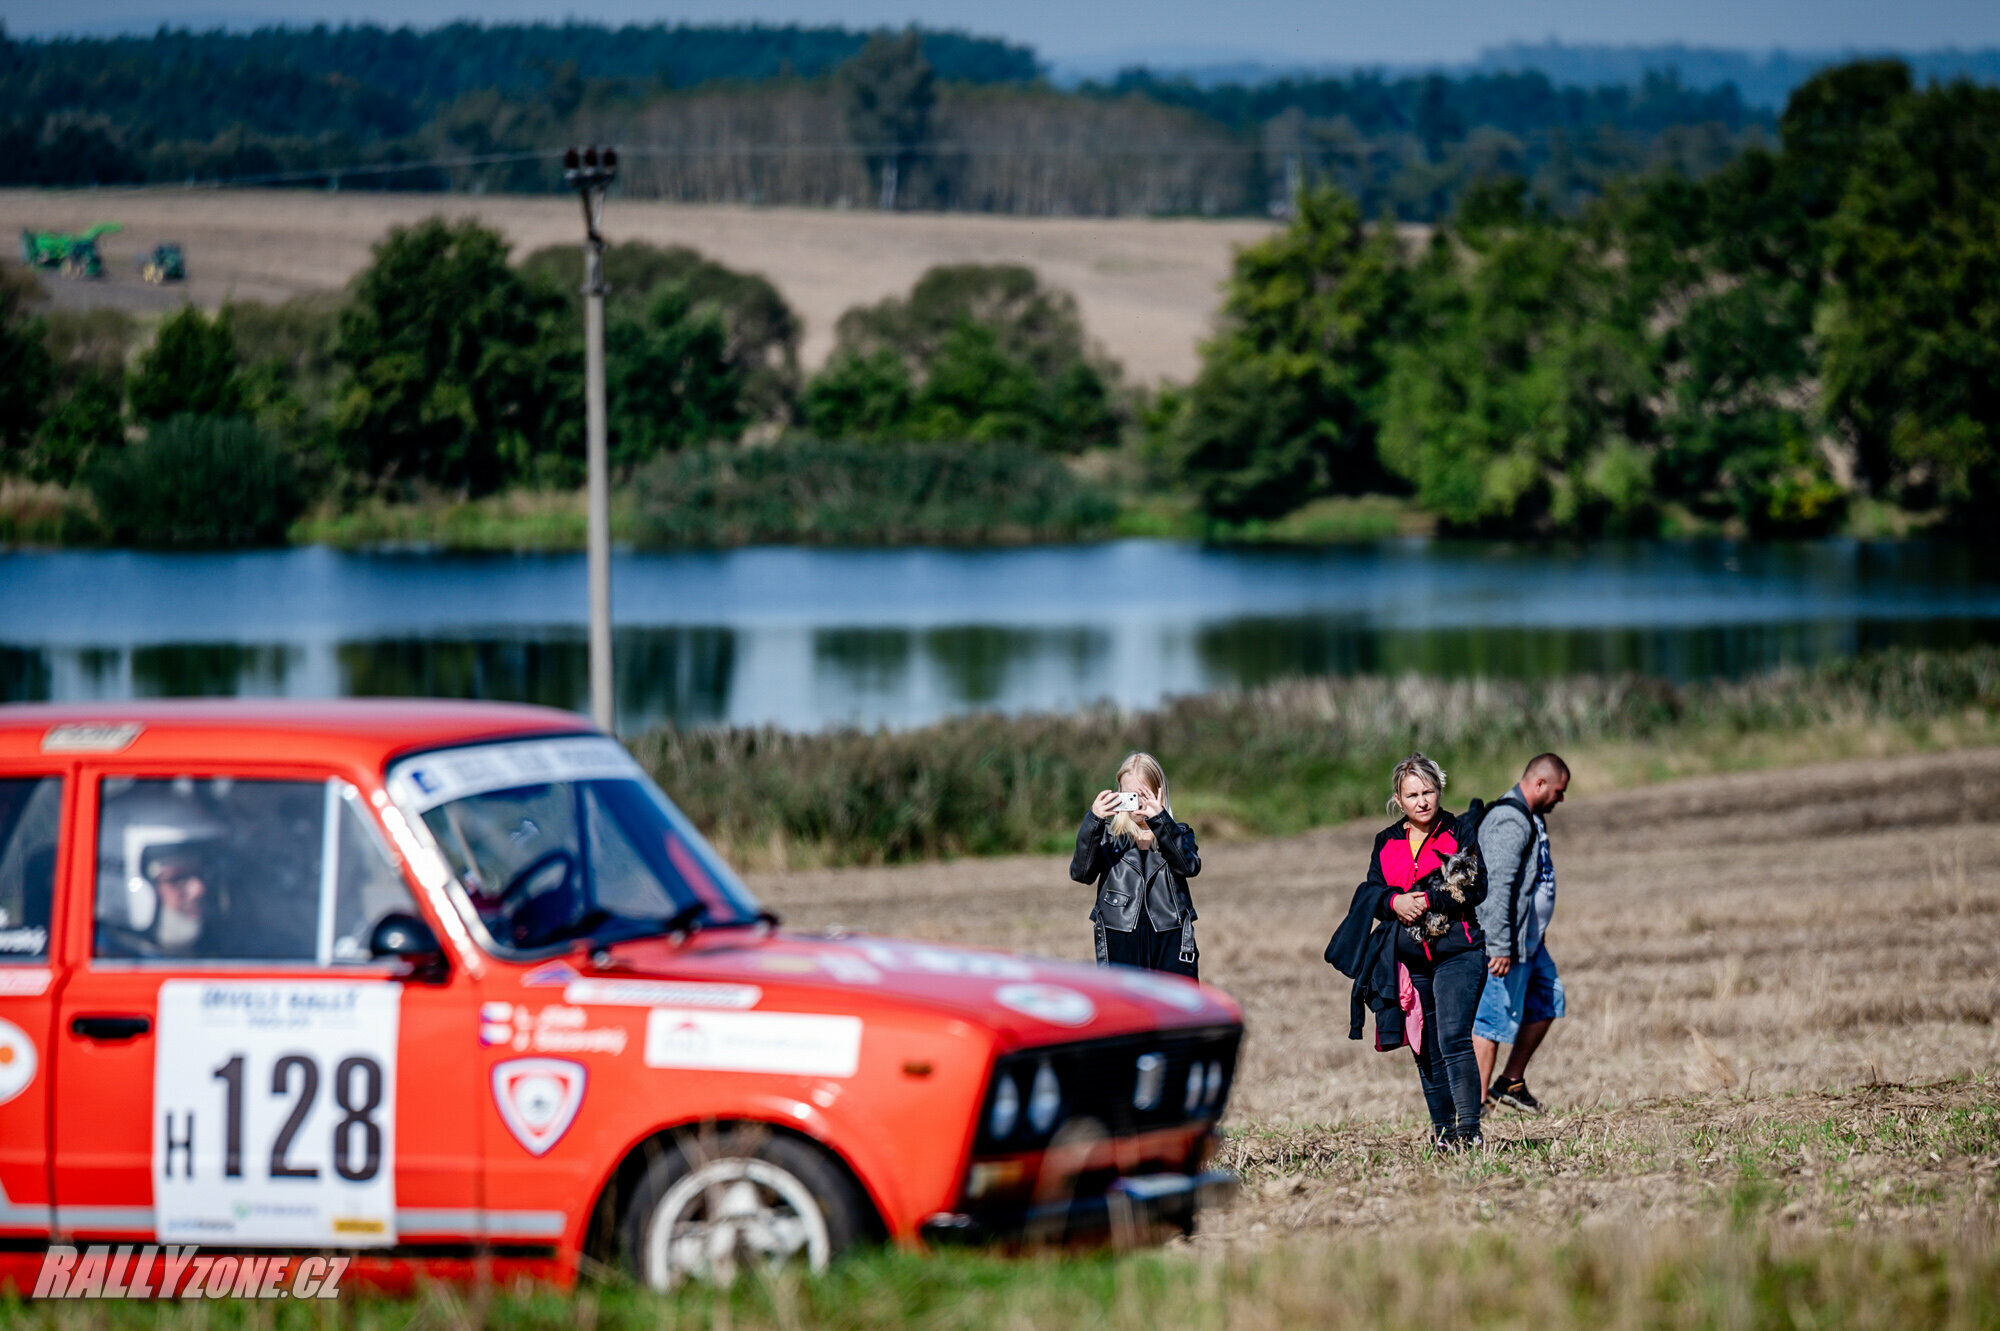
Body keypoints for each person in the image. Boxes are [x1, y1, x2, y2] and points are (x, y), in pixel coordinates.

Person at [1365, 752, 1488, 1148]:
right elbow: (1372, 893)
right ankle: (1444, 1134)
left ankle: (1469, 1133)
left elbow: (1476, 887)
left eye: (1429, 791)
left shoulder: (1459, 831)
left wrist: (1431, 900)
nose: (1422, 801)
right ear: (1398, 800)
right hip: (1410, 959)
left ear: (1440, 790)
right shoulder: (1385, 841)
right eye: (1412, 794)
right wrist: (1395, 904)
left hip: (1459, 951)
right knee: (1426, 1048)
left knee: (1453, 1037)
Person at [1473, 752, 1572, 1116]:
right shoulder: (1509, 820)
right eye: (1559, 791)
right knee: (1493, 1022)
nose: (1561, 799)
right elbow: (1497, 887)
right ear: (1540, 783)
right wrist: (1499, 944)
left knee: (1549, 1000)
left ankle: (1510, 1082)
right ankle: (1474, 1107)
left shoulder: (1531, 817)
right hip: (1507, 944)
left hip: (1531, 942)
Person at [1070, 752, 1201, 979]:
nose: (1137, 802)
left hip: (1171, 943)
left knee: (1174, 1013)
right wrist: (1093, 820)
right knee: (1126, 1012)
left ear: (1159, 792)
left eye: (1143, 794)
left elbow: (1188, 867)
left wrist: (1159, 821)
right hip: (1120, 940)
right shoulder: (1109, 838)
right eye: (1129, 794)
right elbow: (1081, 873)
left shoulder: (1178, 833)